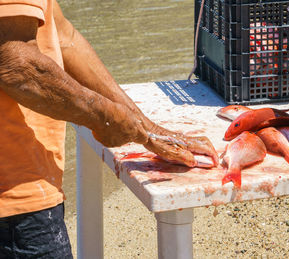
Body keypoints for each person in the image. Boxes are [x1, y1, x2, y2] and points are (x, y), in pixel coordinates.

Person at [0, 0, 218, 257]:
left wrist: (147, 128)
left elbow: (62, 35)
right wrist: (103, 117)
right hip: (14, 198)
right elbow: (17, 64)